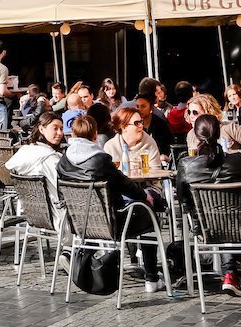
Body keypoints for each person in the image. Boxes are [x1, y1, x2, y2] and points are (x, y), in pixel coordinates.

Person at [57, 113, 164, 290]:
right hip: (113, 224)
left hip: (81, 223)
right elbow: (126, 185)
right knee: (149, 212)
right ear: (94, 135)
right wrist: (145, 197)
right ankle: (152, 278)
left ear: (73, 135)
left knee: (141, 206)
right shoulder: (100, 160)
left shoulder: (63, 161)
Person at [176, 113, 241, 296]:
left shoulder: (186, 164)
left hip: (205, 226)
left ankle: (229, 273)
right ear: (219, 134)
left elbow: (182, 199)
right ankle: (233, 272)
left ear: (196, 136)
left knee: (217, 220)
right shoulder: (238, 159)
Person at [7, 110, 66, 230]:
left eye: (61, 128)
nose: (60, 133)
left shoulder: (24, 153)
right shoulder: (50, 159)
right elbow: (65, 188)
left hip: (33, 217)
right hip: (60, 218)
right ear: (41, 129)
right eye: (55, 128)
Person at [184, 93, 241, 170]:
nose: (191, 116)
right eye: (189, 112)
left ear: (208, 112)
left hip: (233, 176)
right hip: (206, 180)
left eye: (195, 112)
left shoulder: (228, 128)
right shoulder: (191, 134)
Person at [104, 105, 161, 176]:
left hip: (147, 185)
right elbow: (107, 175)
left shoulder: (149, 143)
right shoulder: (110, 147)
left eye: (141, 122)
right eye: (136, 123)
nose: (141, 126)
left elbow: (157, 173)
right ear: (124, 127)